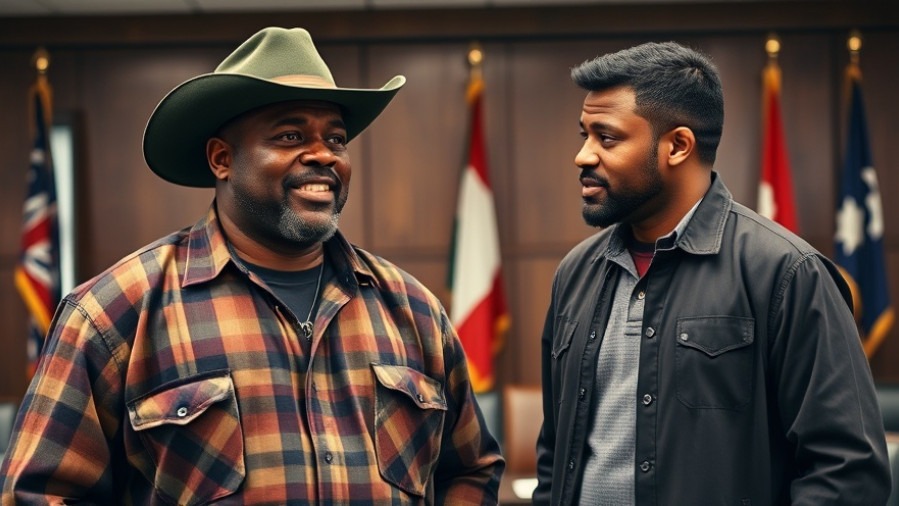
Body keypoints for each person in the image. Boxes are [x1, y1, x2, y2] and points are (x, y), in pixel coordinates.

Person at [0, 26, 503, 505]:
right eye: (289, 136)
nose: (324, 156)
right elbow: (40, 493)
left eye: (336, 139)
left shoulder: (414, 310)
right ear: (222, 159)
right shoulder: (115, 313)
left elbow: (469, 468)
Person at [534, 41, 891, 505]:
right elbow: (554, 454)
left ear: (677, 146)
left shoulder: (786, 273)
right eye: (583, 135)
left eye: (607, 137)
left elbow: (849, 472)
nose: (583, 156)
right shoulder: (575, 273)